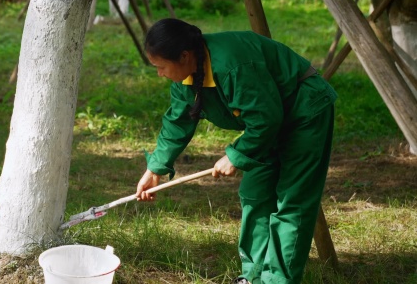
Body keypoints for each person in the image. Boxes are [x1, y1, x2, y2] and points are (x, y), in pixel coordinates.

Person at [134, 18, 336, 284]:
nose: (159, 73)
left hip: (302, 112)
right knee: (255, 194)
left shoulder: (233, 64)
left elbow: (266, 118)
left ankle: (276, 281)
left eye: (160, 67)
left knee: (292, 202)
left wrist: (235, 155)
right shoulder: (187, 73)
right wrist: (155, 168)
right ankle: (253, 277)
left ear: (184, 56)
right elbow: (178, 120)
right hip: (267, 121)